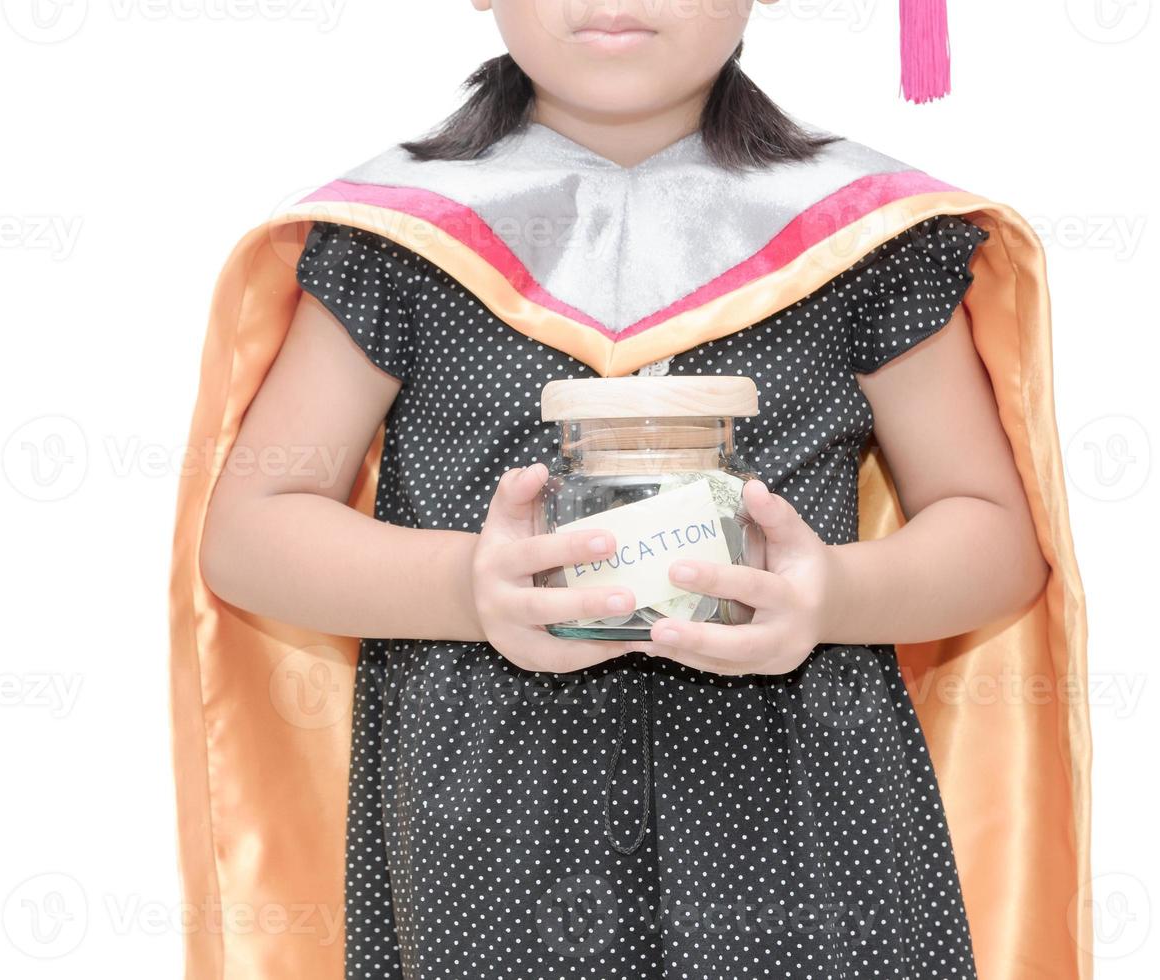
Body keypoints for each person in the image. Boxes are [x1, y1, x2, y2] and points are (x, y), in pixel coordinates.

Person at [170, 3, 1091, 979]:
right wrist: (466, 585)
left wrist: (837, 595)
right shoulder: (402, 242)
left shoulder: (861, 241)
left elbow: (992, 533)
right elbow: (251, 531)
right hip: (486, 826)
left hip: (807, 817)